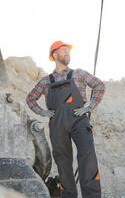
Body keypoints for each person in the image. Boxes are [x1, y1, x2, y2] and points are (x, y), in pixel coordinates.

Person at [26, 41, 105, 198]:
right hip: (57, 124)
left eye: (68, 51)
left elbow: (99, 86)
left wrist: (88, 107)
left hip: (79, 120)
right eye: (63, 51)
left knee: (87, 156)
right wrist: (43, 112)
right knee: (63, 162)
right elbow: (30, 99)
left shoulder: (79, 74)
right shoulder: (45, 81)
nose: (67, 53)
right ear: (54, 55)